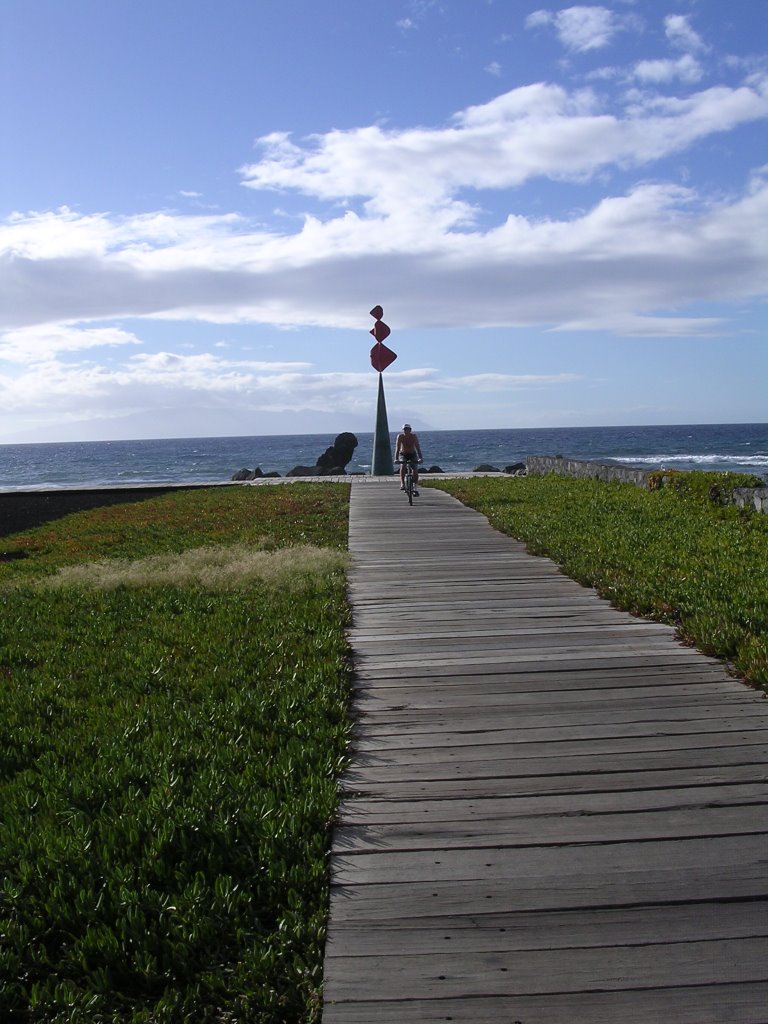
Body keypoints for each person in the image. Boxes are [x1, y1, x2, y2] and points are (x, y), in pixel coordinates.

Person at [394, 423, 423, 494]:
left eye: (407, 429)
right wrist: (396, 458)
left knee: (415, 469)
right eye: (404, 429)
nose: (406, 431)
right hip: (403, 454)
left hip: (412, 454)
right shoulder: (400, 436)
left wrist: (420, 458)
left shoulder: (414, 436)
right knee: (403, 465)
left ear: (410, 430)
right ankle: (402, 483)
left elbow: (417, 447)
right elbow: (397, 448)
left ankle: (415, 486)